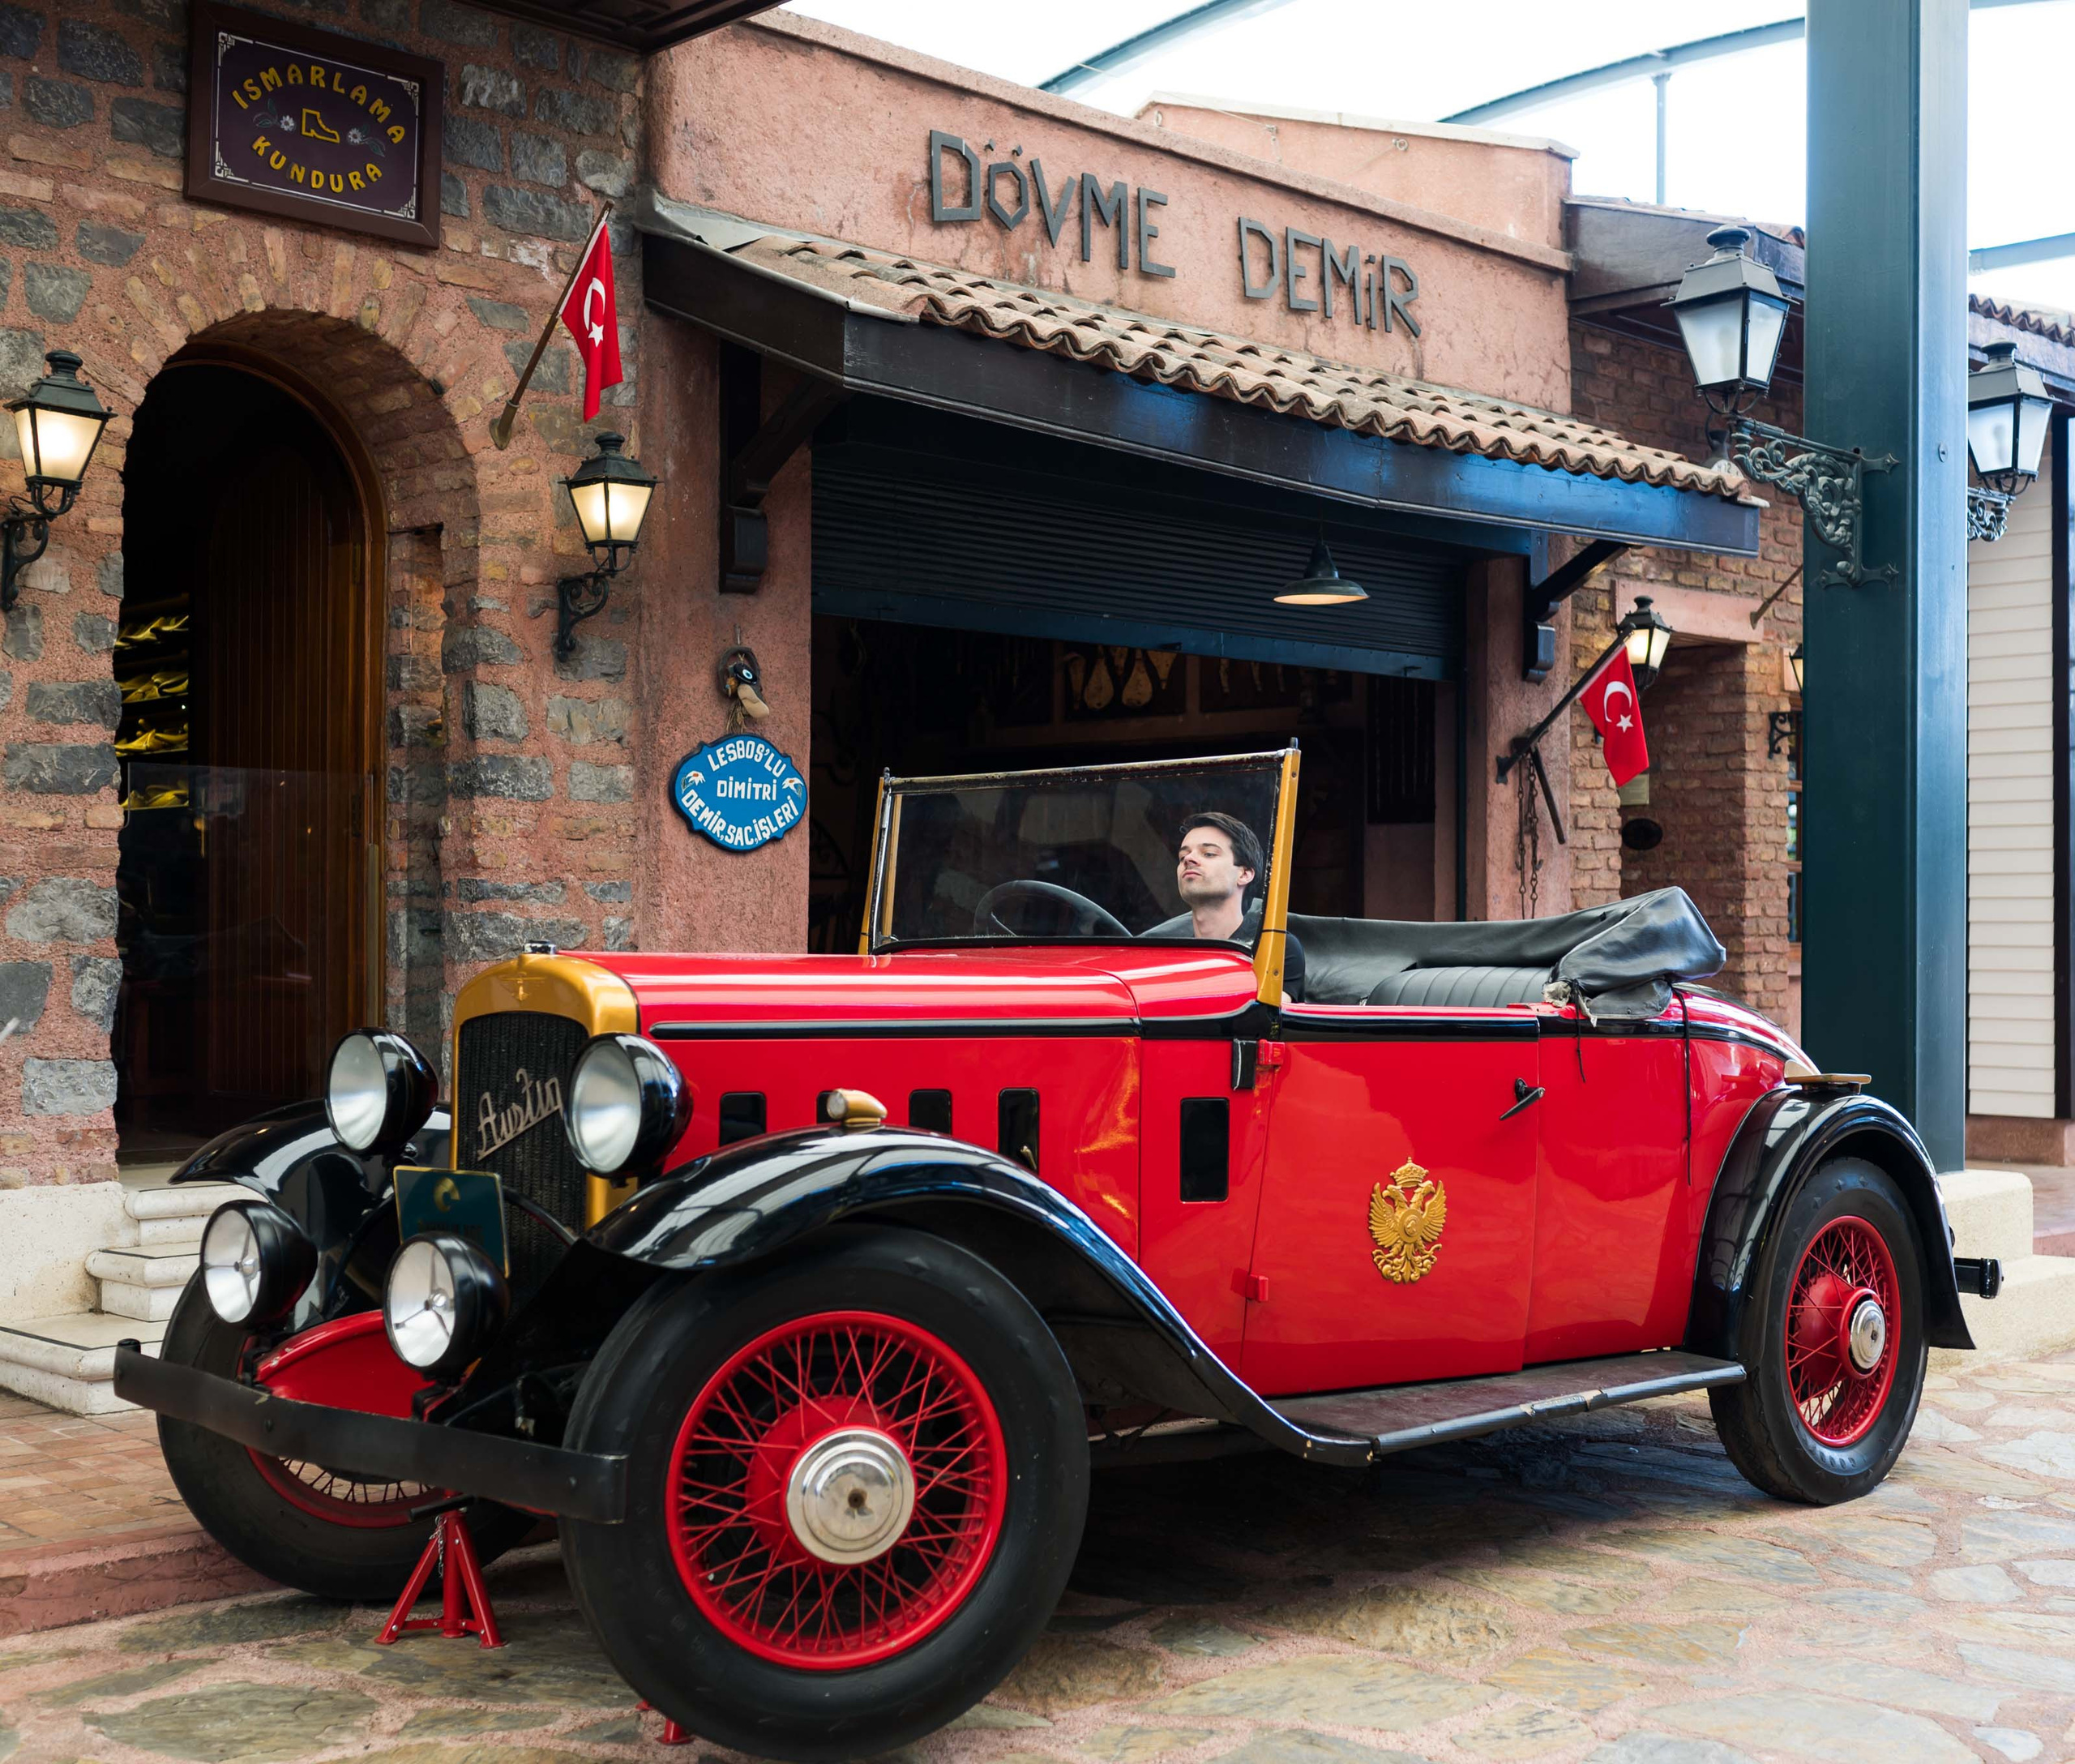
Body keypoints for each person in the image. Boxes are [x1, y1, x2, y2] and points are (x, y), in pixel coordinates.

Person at [1176, 811, 1307, 1003]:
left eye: (1209, 854)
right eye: (1182, 856)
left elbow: (1262, 1020)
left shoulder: (1274, 949)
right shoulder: (1174, 956)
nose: (1189, 859)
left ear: (1244, 874)